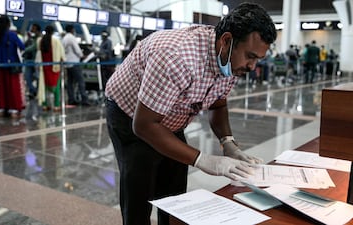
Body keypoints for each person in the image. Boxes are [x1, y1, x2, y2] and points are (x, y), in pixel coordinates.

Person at [105, 2, 277, 225]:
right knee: (139, 192)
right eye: (250, 56)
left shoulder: (230, 60)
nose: (252, 67)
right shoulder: (176, 57)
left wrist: (228, 144)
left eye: (258, 59)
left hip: (171, 118)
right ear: (226, 41)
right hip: (130, 115)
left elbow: (218, 103)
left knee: (175, 195)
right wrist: (202, 159)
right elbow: (145, 126)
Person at [0, 15, 25, 118]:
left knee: (3, 88)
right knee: (13, 87)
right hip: (12, 65)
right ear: (9, 23)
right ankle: (14, 109)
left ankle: (3, 108)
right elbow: (22, 46)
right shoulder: (12, 34)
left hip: (1, 65)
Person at [35, 25, 66, 111]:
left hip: (44, 68)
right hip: (54, 67)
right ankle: (56, 106)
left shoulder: (40, 41)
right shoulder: (56, 41)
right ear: (52, 32)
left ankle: (45, 105)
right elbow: (62, 54)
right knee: (56, 88)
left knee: (44, 87)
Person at [62, 24, 89, 106]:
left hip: (67, 63)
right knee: (80, 81)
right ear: (72, 30)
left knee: (70, 82)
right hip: (74, 62)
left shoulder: (64, 38)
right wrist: (82, 56)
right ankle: (84, 100)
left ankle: (71, 99)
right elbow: (77, 50)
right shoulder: (71, 38)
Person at [22, 23, 41, 99]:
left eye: (33, 28)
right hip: (29, 60)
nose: (31, 29)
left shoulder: (39, 38)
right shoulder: (31, 37)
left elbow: (34, 47)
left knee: (37, 77)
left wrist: (24, 50)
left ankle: (35, 92)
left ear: (36, 29)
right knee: (27, 77)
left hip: (36, 60)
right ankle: (33, 91)